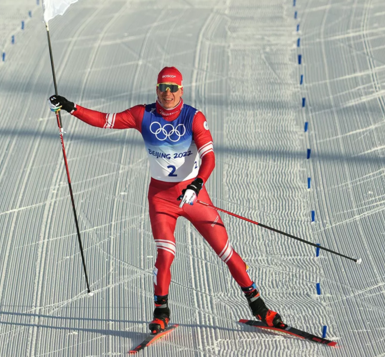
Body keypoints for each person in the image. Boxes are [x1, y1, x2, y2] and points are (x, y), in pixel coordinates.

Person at [49, 66, 284, 334]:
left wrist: (197, 184)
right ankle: (161, 313)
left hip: (194, 198)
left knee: (226, 252)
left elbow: (209, 157)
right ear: (157, 89)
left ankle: (260, 308)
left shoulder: (193, 117)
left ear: (181, 90)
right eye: (163, 87)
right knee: (165, 255)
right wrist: (71, 107)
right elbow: (105, 120)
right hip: (162, 199)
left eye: (173, 88)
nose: (168, 93)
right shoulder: (143, 115)